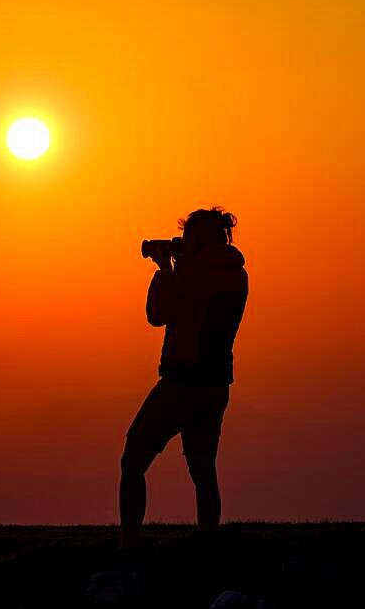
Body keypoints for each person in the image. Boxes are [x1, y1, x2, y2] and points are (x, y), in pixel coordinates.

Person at [120, 207, 248, 548]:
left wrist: (165, 270)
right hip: (216, 383)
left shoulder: (198, 274)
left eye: (187, 237)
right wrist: (183, 267)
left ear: (199, 239)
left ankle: (129, 543)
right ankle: (209, 544)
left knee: (133, 458)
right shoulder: (235, 272)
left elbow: (158, 313)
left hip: (181, 382)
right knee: (203, 468)